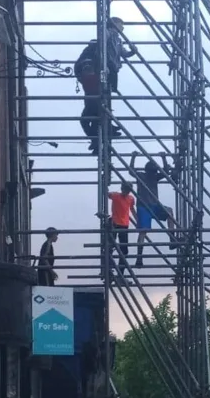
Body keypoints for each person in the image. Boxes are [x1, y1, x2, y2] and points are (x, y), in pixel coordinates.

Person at [74, 18, 137, 155]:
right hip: (105, 70)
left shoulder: (118, 41)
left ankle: (102, 134)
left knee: (103, 103)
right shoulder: (107, 34)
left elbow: (124, 53)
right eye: (121, 25)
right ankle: (105, 131)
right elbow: (102, 40)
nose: (123, 28)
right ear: (114, 24)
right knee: (100, 105)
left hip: (111, 71)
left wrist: (133, 51)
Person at [131, 154, 178, 268]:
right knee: (143, 231)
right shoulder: (142, 176)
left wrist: (163, 158)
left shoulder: (153, 176)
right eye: (153, 171)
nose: (153, 174)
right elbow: (131, 171)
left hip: (154, 205)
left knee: (169, 212)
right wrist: (133, 157)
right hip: (143, 206)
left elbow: (165, 172)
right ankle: (139, 257)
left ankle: (172, 239)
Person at [108, 181, 136, 283]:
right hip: (114, 223)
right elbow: (106, 193)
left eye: (128, 190)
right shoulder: (115, 195)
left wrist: (138, 222)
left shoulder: (131, 198)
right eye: (125, 189)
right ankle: (108, 270)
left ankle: (120, 275)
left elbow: (132, 209)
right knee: (109, 247)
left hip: (124, 225)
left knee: (124, 251)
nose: (126, 192)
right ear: (122, 188)